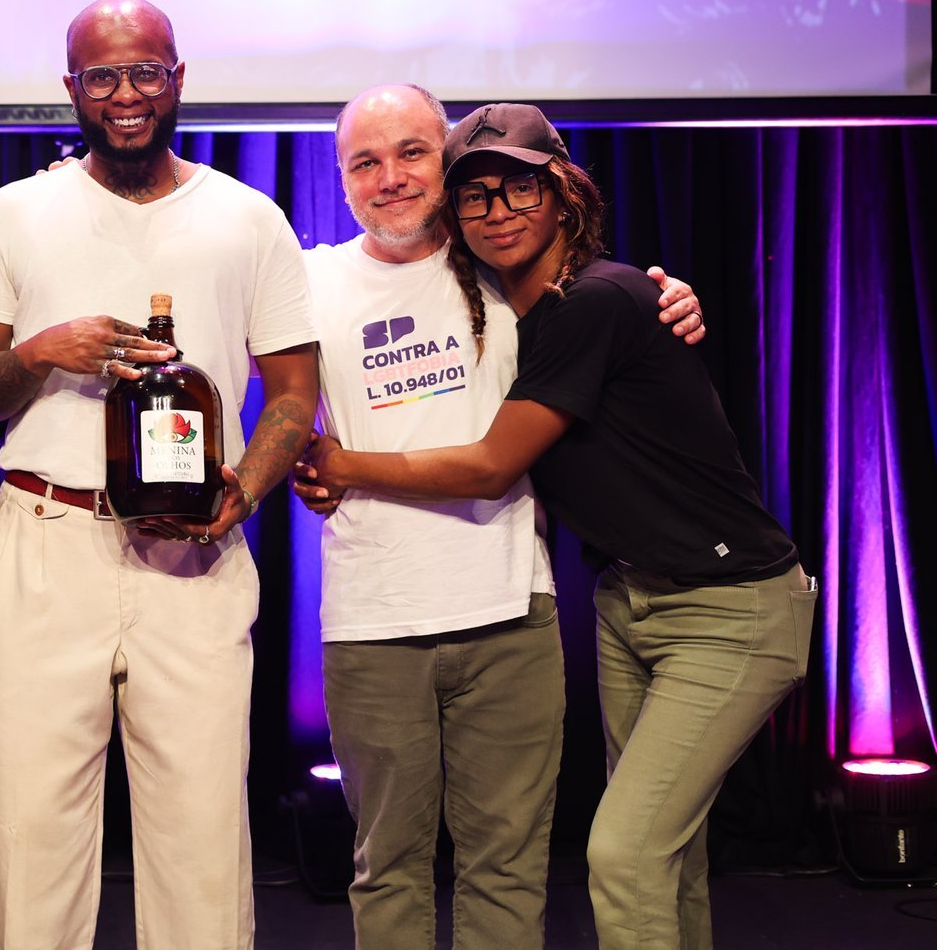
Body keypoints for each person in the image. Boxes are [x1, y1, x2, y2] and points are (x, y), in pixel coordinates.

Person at [299, 102, 814, 950]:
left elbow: (494, 463)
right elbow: (246, 364)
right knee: (657, 854)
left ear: (562, 192)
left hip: (611, 609)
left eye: (413, 153)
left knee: (596, 857)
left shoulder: (567, 294)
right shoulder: (322, 278)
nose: (390, 177)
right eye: (364, 161)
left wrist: (343, 464)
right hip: (577, 604)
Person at [0, 0, 320, 949]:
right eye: (102, 77)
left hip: (193, 551)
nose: (125, 95)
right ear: (71, 89)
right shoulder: (13, 213)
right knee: (27, 834)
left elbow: (292, 394)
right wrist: (41, 352)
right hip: (47, 538)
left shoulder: (249, 218)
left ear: (177, 77)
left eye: (145, 72)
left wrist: (244, 491)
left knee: (202, 839)